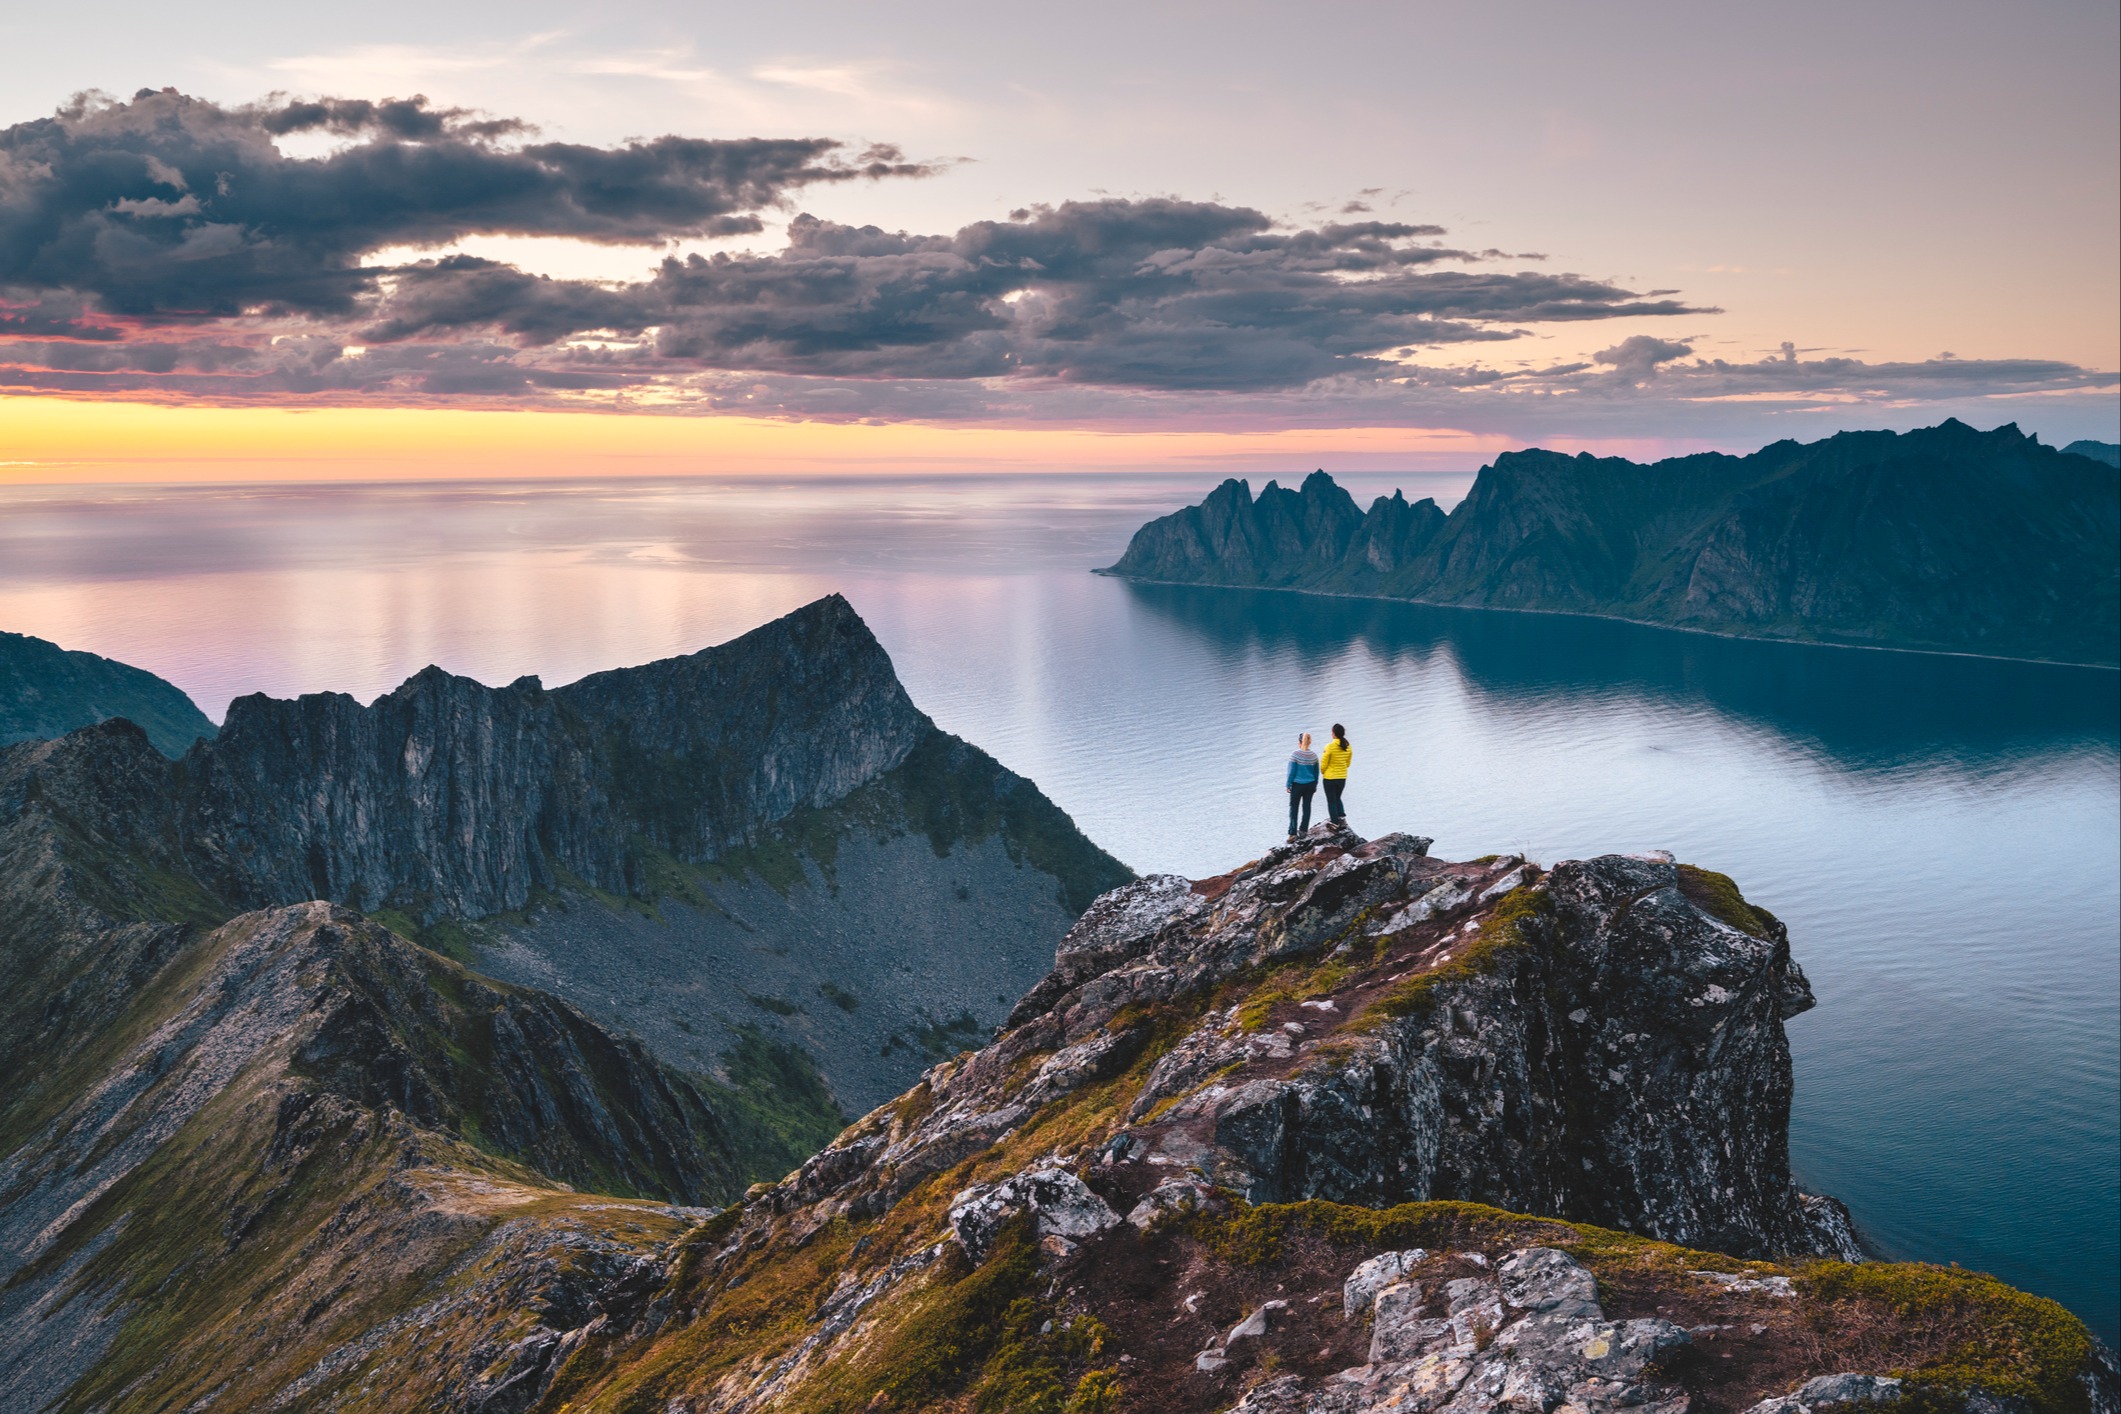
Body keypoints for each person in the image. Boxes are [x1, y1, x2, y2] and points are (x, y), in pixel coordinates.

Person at [1286, 732, 1320, 838]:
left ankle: (1292, 833)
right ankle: (1303, 831)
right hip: (1310, 784)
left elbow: (1291, 772)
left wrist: (1288, 784)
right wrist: (1315, 785)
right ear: (1309, 742)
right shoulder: (1314, 756)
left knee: (1294, 808)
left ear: (1300, 742)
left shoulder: (1295, 754)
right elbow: (1316, 773)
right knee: (1306, 807)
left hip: (1297, 785)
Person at [1321, 723, 1352, 824]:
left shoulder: (1329, 746)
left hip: (1329, 778)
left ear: (1334, 734)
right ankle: (1342, 817)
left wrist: (1323, 772)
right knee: (1338, 798)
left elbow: (1324, 763)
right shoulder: (1348, 747)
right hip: (1342, 778)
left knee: (1331, 801)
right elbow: (1347, 763)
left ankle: (1334, 822)